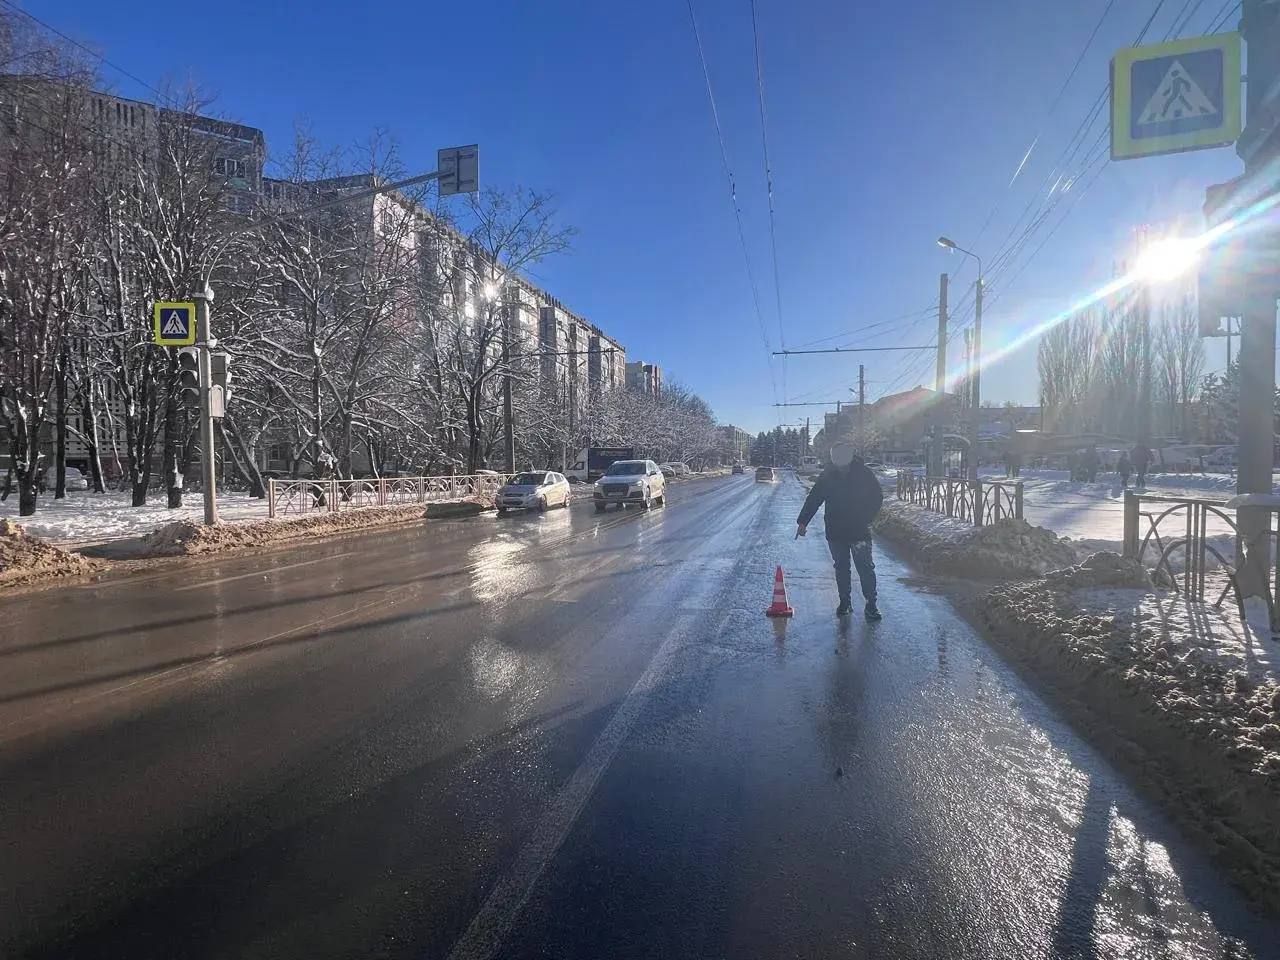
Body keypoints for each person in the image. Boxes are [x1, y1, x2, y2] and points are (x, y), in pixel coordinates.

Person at [796, 441, 884, 620]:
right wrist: (803, 522)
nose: (838, 460)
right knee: (841, 568)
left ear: (849, 455)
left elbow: (877, 496)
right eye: (835, 457)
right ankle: (845, 602)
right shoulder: (828, 475)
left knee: (865, 568)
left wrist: (866, 518)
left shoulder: (863, 473)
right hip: (835, 531)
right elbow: (814, 498)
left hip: (859, 530)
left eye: (841, 456)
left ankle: (871, 605)